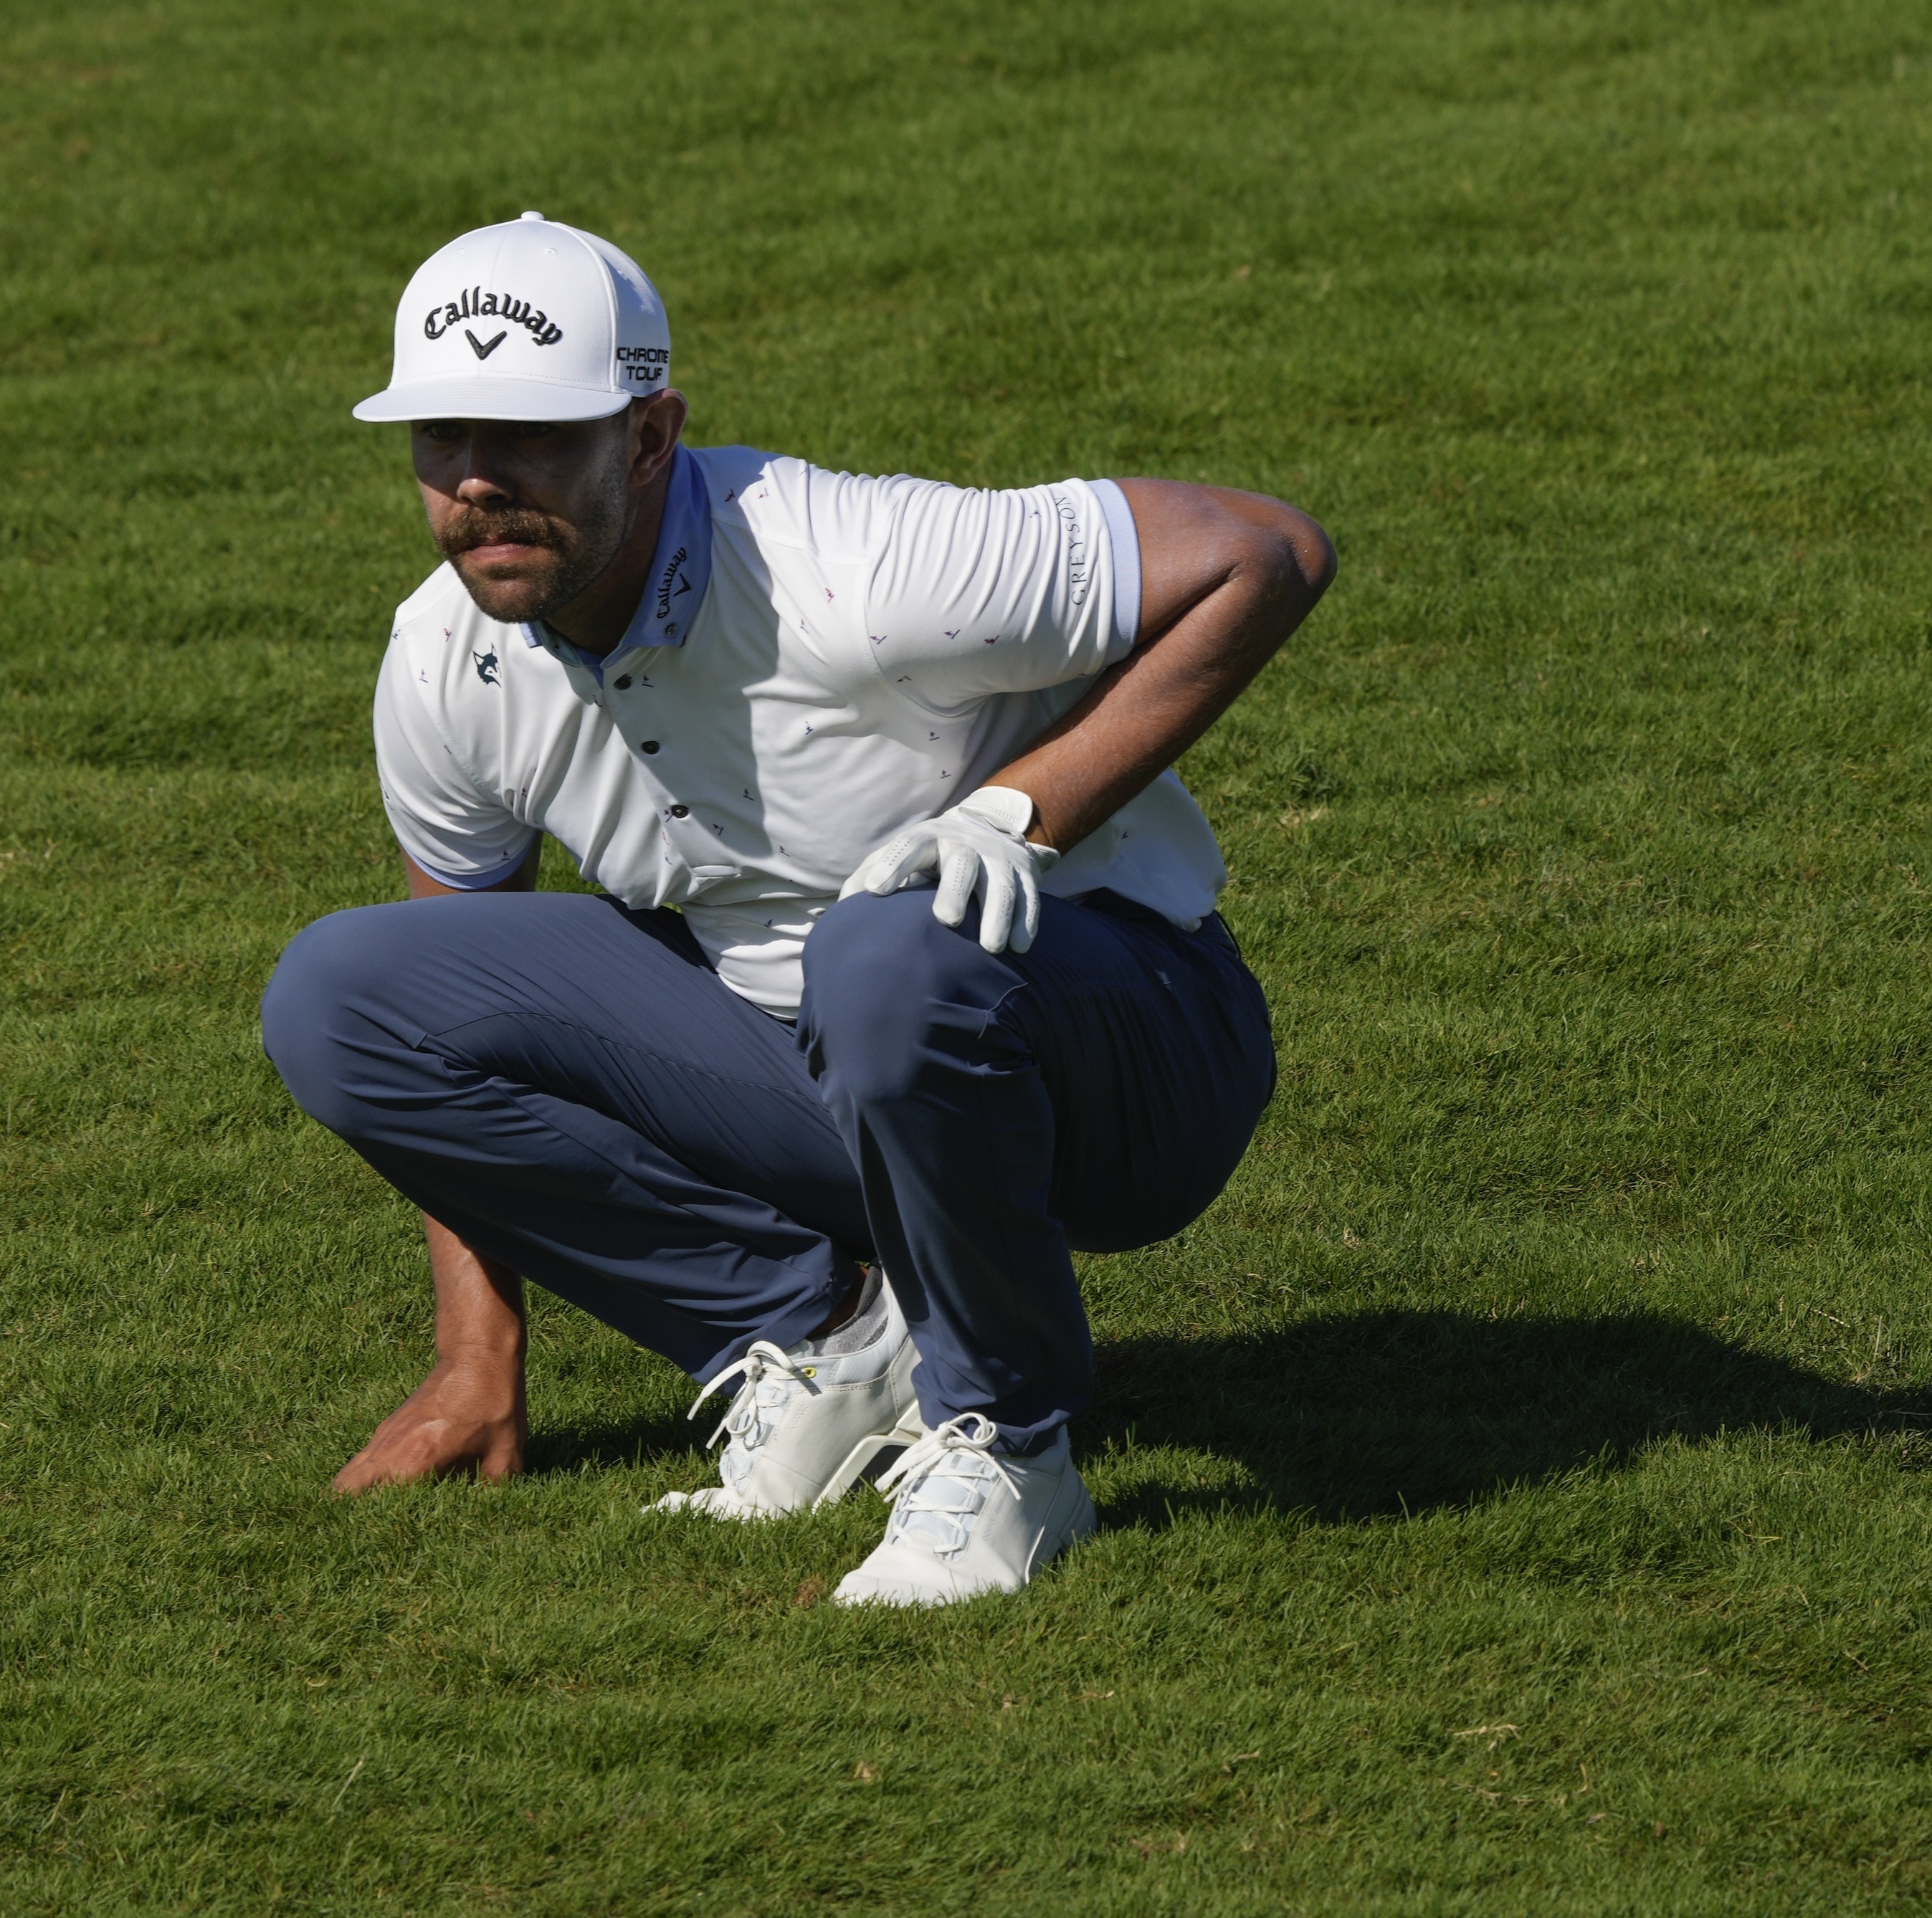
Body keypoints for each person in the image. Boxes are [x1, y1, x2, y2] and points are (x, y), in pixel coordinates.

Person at [261, 213, 1333, 1606]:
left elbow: (1264, 549)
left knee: (883, 942)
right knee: (348, 991)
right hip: (822, 1084)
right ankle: (825, 1334)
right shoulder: (444, 658)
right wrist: (477, 1355)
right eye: (441, 439)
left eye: (531, 439)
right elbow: (448, 972)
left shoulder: (859, 566)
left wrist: (1021, 808)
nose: (478, 483)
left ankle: (1010, 1447)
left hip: (1130, 1059)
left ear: (649, 437)